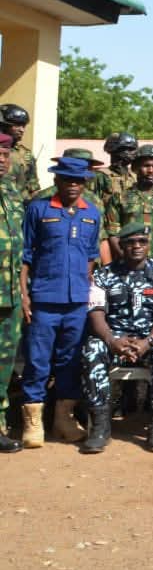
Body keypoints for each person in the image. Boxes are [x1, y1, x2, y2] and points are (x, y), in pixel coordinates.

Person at [80, 223, 153, 453]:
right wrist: (111, 341)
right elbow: (96, 313)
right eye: (131, 242)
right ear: (121, 245)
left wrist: (149, 342)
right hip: (115, 339)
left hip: (151, 339)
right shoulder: (104, 275)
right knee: (92, 348)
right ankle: (100, 427)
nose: (137, 246)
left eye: (142, 242)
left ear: (148, 245)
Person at [16, 155, 102, 451]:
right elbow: (25, 255)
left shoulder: (92, 213)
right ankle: (33, 422)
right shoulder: (38, 209)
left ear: (85, 183)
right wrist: (24, 295)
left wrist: (87, 290)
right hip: (44, 298)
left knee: (70, 360)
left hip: (77, 301)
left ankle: (63, 419)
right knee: (37, 361)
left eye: (79, 181)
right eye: (67, 180)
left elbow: (91, 256)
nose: (73, 185)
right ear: (56, 180)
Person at [0, 134, 24, 452]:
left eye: (5, 153)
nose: (2, 159)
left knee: (4, 364)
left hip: (9, 294)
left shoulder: (12, 192)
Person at [0, 103, 41, 202]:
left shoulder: (26, 155)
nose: (22, 130)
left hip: (17, 209)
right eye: (17, 125)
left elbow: (33, 189)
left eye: (23, 126)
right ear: (3, 125)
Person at [101, 132, 138, 198]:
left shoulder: (135, 177)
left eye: (134, 149)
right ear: (116, 150)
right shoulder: (101, 177)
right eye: (129, 149)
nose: (134, 153)